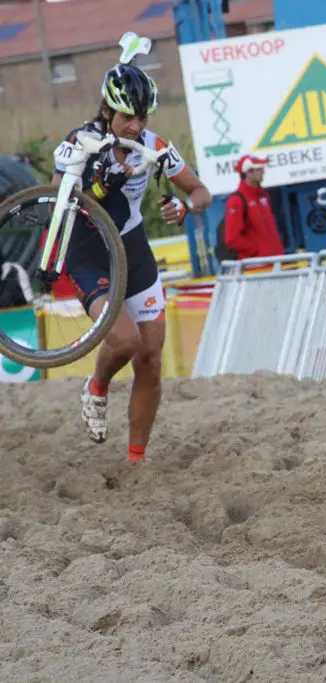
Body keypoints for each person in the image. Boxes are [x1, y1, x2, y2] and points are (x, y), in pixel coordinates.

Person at [55, 57, 212, 463]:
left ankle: (136, 458)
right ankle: (97, 386)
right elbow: (54, 199)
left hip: (133, 247)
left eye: (143, 116)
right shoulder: (81, 141)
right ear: (107, 111)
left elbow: (201, 192)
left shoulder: (154, 146)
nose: (136, 126)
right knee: (125, 340)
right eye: (128, 117)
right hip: (88, 250)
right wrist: (96, 181)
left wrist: (184, 206)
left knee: (151, 357)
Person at [222, 154, 285, 260]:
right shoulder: (237, 200)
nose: (263, 172)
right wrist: (257, 251)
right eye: (259, 169)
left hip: (275, 263)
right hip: (257, 268)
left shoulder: (263, 196)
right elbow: (232, 239)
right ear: (248, 172)